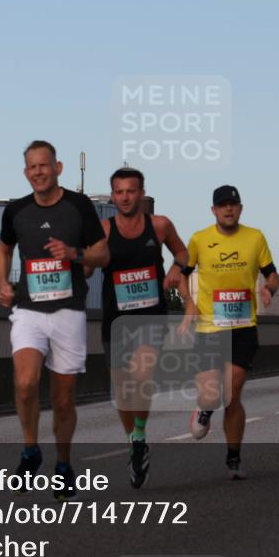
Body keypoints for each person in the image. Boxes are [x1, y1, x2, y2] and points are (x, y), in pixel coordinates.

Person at [0, 140, 110, 501]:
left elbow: (102, 254)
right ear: (26, 172)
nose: (38, 172)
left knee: (63, 399)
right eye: (32, 167)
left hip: (68, 312)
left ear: (57, 168)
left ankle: (63, 464)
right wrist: (2, 282)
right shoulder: (15, 211)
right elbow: (4, 248)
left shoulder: (79, 206)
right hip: (29, 309)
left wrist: (73, 253)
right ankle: (30, 449)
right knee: (26, 383)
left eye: (44, 166)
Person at [177, 185, 279, 479]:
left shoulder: (255, 237)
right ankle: (205, 408)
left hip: (243, 326)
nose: (228, 209)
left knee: (232, 393)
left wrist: (269, 288)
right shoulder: (199, 239)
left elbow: (272, 272)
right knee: (212, 394)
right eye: (223, 205)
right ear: (214, 211)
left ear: (240, 208)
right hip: (209, 327)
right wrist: (189, 303)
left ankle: (233, 457)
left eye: (233, 204)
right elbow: (183, 276)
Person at [96, 167, 188, 488]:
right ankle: (135, 442)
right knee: (123, 389)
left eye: (131, 191)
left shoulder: (160, 225)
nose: (125, 197)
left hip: (150, 316)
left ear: (142, 193)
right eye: (119, 192)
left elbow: (183, 251)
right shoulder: (103, 230)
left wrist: (176, 269)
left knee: (142, 374)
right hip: (116, 320)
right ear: (112, 196)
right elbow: (86, 265)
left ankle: (139, 433)